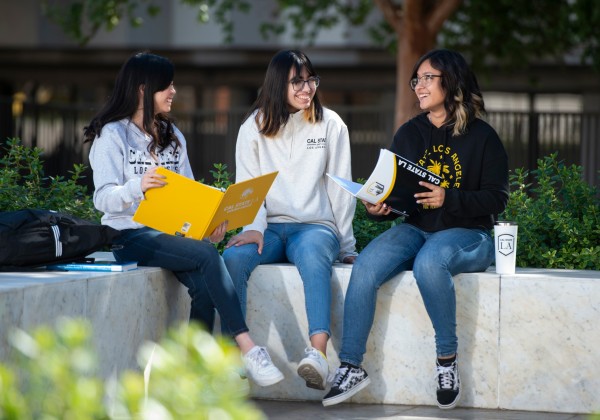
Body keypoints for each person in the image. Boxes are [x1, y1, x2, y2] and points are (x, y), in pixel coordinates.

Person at [322, 49, 509, 409]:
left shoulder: (482, 137)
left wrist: (448, 198)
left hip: (469, 234)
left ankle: (446, 362)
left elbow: (497, 199)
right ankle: (351, 365)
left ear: (450, 82)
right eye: (416, 79)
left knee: (428, 262)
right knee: (366, 265)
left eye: (428, 78)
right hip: (417, 227)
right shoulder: (409, 133)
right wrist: (380, 207)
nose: (419, 87)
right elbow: (401, 195)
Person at [84, 52, 283, 387]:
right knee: (206, 257)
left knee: (205, 284)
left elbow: (188, 194)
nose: (174, 91)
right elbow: (102, 198)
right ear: (144, 90)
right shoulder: (111, 136)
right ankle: (246, 345)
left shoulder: (173, 136)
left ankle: (193, 376)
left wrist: (210, 226)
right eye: (168, 86)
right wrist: (138, 186)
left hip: (170, 234)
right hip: (128, 234)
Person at [222, 49, 358, 391]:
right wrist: (253, 227)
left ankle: (318, 354)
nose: (306, 88)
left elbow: (340, 189)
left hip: (315, 227)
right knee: (233, 259)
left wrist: (347, 246)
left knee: (314, 257)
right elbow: (248, 186)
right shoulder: (252, 127)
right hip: (269, 229)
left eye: (311, 79)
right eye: (297, 81)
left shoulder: (331, 124)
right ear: (276, 84)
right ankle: (232, 355)